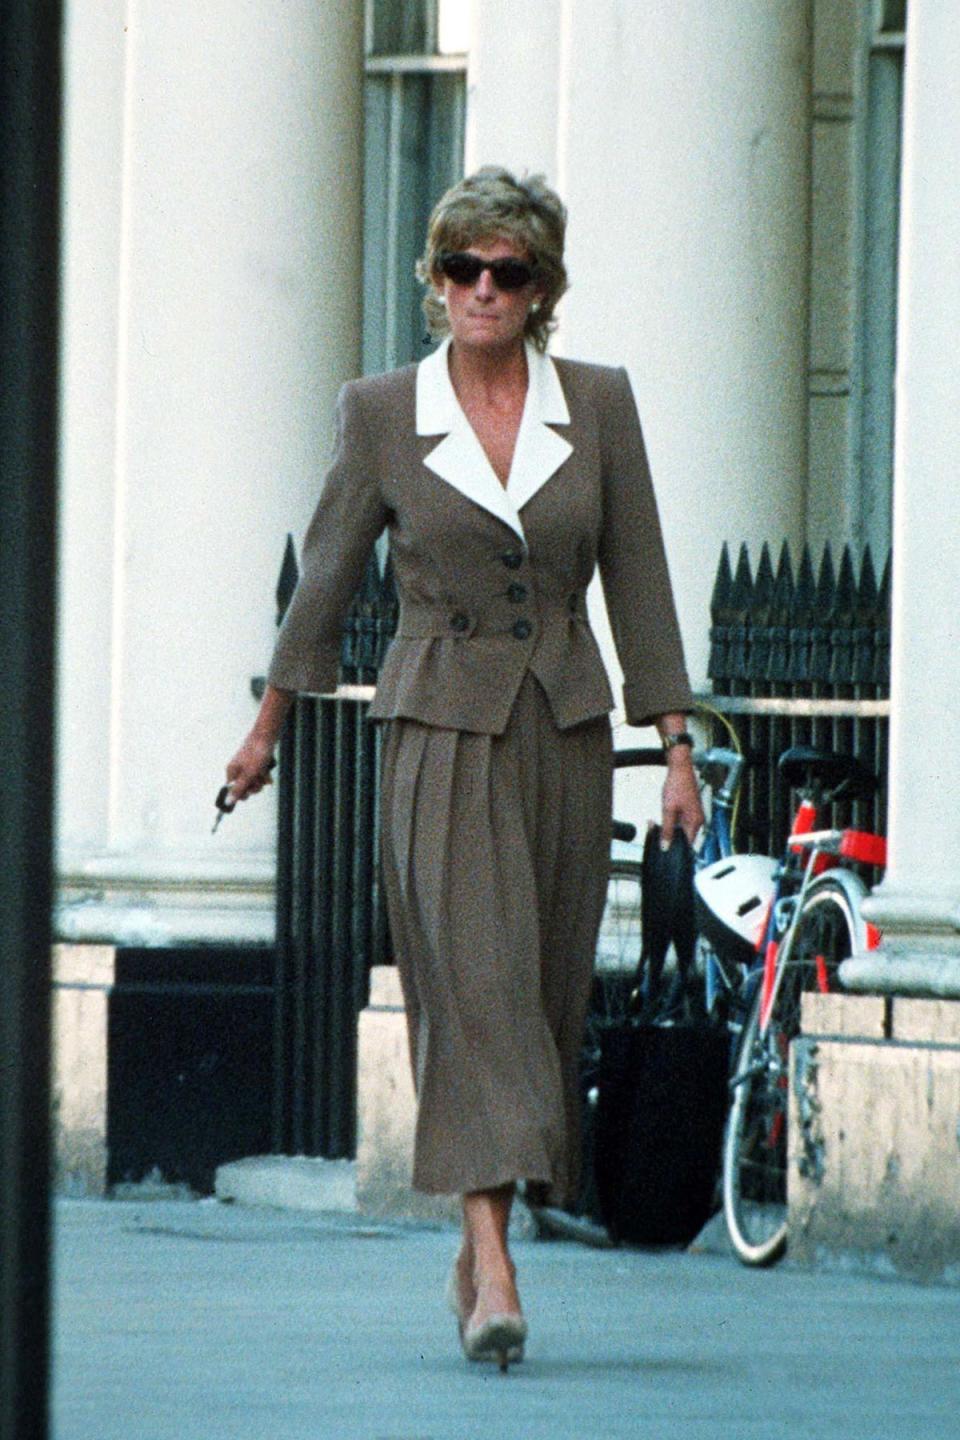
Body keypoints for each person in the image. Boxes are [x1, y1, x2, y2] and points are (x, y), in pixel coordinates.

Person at [225, 167, 703, 1370]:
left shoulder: (596, 404)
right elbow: (327, 575)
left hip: (564, 728)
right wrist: (269, 726)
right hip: (437, 729)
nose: (483, 290)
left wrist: (679, 748)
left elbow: (638, 581)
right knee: (473, 990)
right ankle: (493, 1267)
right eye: (462, 269)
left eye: (510, 271)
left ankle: (479, 1230)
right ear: (435, 283)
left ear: (541, 291)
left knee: (540, 993)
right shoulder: (386, 410)